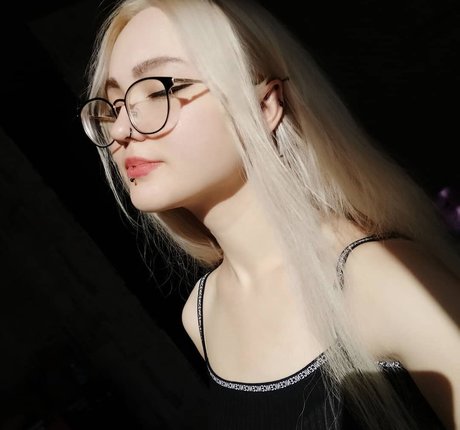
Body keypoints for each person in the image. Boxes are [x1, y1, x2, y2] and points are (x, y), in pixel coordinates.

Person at [78, 0, 460, 428]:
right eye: (113, 105)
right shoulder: (203, 313)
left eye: (159, 90)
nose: (120, 130)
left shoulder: (379, 278)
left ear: (264, 105)